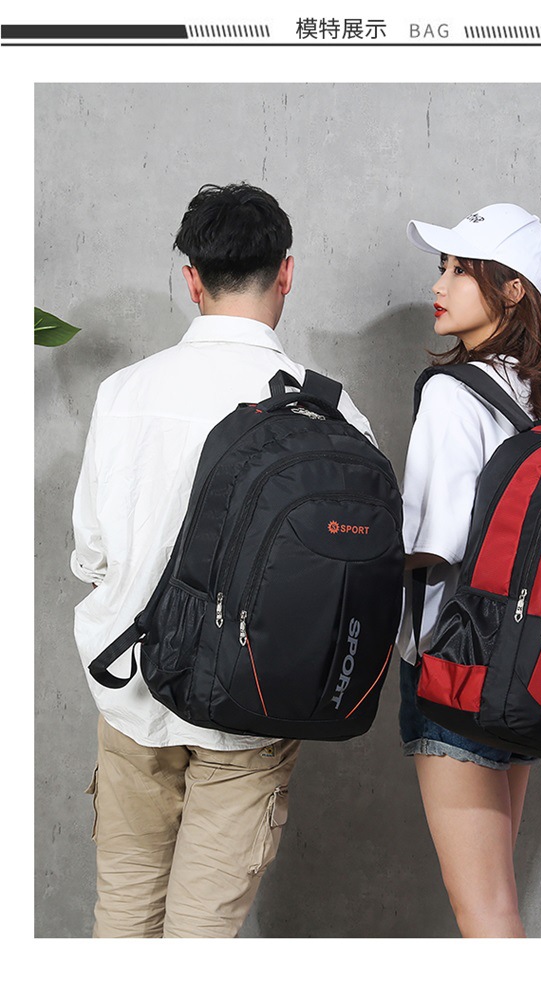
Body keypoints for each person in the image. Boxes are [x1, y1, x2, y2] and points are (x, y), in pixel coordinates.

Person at [70, 183, 376, 938]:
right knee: (202, 933)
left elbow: (92, 554)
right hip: (254, 708)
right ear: (287, 272)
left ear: (191, 279)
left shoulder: (124, 393)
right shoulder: (332, 412)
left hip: (132, 693)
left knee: (123, 918)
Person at [396, 203, 541, 938]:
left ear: (512, 289)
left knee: (487, 913)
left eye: (459, 270)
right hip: (528, 664)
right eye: (441, 267)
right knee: (498, 899)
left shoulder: (452, 394)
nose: (438, 284)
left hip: (455, 667)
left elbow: (432, 540)